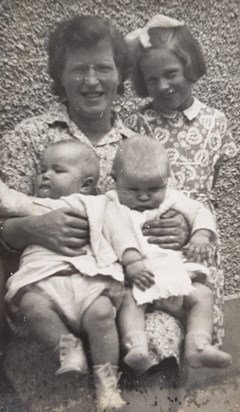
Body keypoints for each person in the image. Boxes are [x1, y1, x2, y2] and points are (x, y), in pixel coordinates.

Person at [0, 14, 189, 376]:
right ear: (60, 77)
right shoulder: (26, 137)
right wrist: (30, 230)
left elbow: (165, 213)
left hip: (128, 305)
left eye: (103, 68)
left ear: (120, 75)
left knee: (158, 342)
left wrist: (176, 226)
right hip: (49, 303)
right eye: (78, 69)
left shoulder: (138, 146)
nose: (91, 81)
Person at [124, 14, 238, 349]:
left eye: (170, 74)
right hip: (152, 234)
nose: (162, 86)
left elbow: (209, 186)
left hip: (198, 240)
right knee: (153, 322)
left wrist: (197, 225)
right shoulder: (136, 122)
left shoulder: (216, 121)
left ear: (190, 67)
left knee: (196, 317)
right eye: (152, 78)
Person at [108, 136, 231, 375]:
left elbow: (199, 211)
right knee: (128, 301)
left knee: (203, 295)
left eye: (154, 188)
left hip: (172, 273)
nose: (144, 197)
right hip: (135, 276)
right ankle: (136, 345)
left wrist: (201, 235)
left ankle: (198, 344)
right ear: (115, 179)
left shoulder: (172, 199)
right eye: (133, 189)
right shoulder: (109, 203)